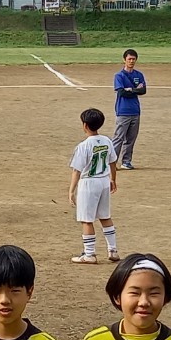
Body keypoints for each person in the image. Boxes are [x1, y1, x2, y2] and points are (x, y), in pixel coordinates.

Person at [69, 107, 119, 265]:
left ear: (85, 125)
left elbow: (77, 170)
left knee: (86, 219)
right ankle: (113, 250)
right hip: (104, 181)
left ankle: (89, 254)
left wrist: (71, 191)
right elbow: (112, 162)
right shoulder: (106, 141)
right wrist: (113, 179)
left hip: (89, 183)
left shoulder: (83, 146)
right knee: (105, 216)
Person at [112, 49, 147, 169]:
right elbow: (121, 92)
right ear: (124, 60)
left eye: (133, 59)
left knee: (131, 138)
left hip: (135, 111)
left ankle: (126, 161)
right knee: (118, 138)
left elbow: (143, 90)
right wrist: (135, 89)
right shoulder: (119, 76)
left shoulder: (139, 75)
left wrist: (130, 89)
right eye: (129, 59)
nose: (131, 61)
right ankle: (112, 162)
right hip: (123, 111)